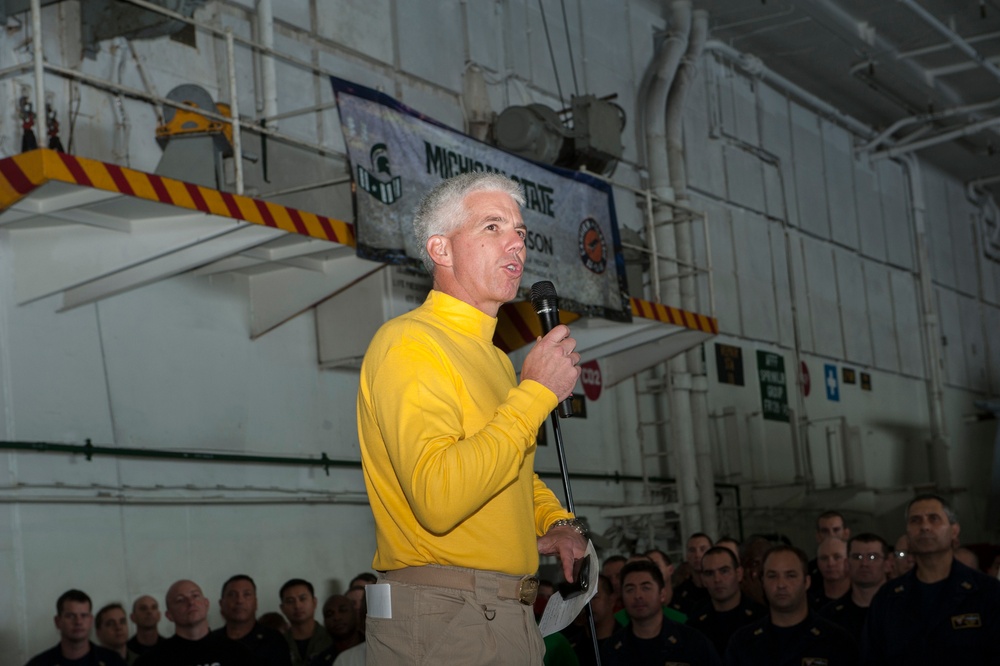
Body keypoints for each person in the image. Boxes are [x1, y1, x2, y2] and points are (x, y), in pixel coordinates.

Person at [356, 171, 586, 664]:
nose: (516, 244)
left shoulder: (497, 358)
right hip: (447, 616)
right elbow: (439, 497)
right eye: (492, 227)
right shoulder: (410, 342)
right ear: (441, 249)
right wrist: (535, 394)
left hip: (502, 610)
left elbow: (511, 470)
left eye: (520, 232)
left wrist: (556, 520)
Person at [863, 494, 1000, 664]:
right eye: (915, 520)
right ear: (907, 533)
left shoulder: (987, 591)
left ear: (954, 531)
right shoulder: (888, 598)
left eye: (934, 519)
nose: (925, 527)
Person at [725, 545, 857, 665]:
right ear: (763, 582)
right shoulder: (743, 643)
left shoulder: (836, 641)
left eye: (791, 575)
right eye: (772, 576)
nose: (781, 584)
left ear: (806, 582)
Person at [602, 560, 720, 665]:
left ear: (662, 594)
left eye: (646, 588)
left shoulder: (693, 643)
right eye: (630, 589)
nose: (638, 596)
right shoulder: (612, 649)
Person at [134, 579, 257, 666]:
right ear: (169, 615)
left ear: (206, 604)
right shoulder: (152, 660)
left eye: (195, 596)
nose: (190, 602)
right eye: (180, 600)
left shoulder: (238, 653)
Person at [689, 546, 765, 656]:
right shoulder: (695, 624)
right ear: (703, 580)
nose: (717, 579)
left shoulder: (761, 617)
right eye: (710, 573)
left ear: (738, 574)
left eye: (724, 571)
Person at [819, 533, 890, 642]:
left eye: (872, 557)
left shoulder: (905, 608)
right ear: (847, 564)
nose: (864, 563)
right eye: (857, 557)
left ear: (887, 564)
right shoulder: (829, 616)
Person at [26, 590, 126, 666]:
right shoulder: (39, 664)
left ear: (91, 620)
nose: (78, 622)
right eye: (71, 616)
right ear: (58, 621)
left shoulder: (113, 661)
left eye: (84, 616)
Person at [212, 574, 291, 666]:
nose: (239, 600)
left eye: (247, 594)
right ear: (221, 604)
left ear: (256, 603)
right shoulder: (210, 642)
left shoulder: (273, 640)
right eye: (232, 595)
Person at [562, 574, 617, 666]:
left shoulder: (627, 641)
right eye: (581, 598)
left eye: (594, 597)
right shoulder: (570, 648)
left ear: (611, 600)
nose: (587, 603)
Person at [279, 579, 332, 665]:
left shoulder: (331, 639)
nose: (297, 606)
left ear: (314, 602)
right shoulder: (277, 643)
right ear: (282, 608)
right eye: (290, 601)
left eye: (302, 599)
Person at [672, 533, 712, 614]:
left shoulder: (720, 587)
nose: (697, 555)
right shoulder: (679, 594)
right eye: (692, 550)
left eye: (703, 549)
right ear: (687, 556)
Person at [809, 537, 850, 609]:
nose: (830, 564)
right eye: (824, 558)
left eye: (837, 557)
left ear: (848, 560)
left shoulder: (861, 598)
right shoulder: (809, 600)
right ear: (818, 563)